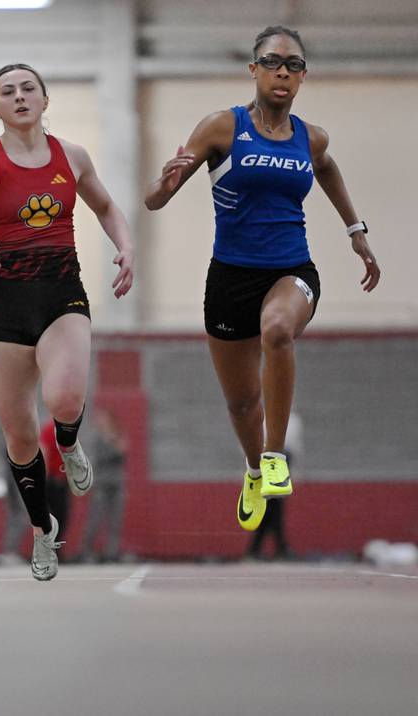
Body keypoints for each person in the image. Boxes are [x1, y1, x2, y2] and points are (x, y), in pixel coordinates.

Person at [144, 26, 380, 533]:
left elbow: (327, 167)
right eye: (273, 62)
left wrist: (355, 231)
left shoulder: (309, 137)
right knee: (241, 401)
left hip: (292, 269)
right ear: (253, 69)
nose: (283, 72)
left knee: (277, 329)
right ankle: (254, 469)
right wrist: (162, 184)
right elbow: (154, 200)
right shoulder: (221, 128)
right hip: (230, 276)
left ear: (302, 77)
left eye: (294, 65)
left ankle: (274, 457)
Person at [0, 63, 134, 580]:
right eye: (8, 91)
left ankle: (70, 445)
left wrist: (126, 247)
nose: (20, 97)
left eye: (29, 89)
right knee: (19, 434)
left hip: (61, 293)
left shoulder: (72, 156)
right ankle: (42, 532)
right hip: (7, 305)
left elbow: (107, 207)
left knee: (64, 398)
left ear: (45, 100)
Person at [247, 410, 303, 560]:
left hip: (283, 461)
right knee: (273, 510)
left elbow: (295, 448)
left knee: (272, 510)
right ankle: (277, 547)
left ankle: (259, 549)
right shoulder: (262, 416)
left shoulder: (294, 419)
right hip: (266, 460)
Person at [80, 407, 127, 563]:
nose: (101, 422)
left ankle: (111, 552)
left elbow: (123, 453)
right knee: (96, 517)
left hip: (117, 482)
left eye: (104, 419)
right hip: (101, 482)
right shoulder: (97, 438)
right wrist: (114, 447)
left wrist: (117, 446)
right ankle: (85, 551)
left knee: (115, 519)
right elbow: (100, 457)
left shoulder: (118, 434)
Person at [38, 417, 70, 546]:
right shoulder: (50, 430)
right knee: (56, 516)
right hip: (53, 481)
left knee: (62, 516)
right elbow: (45, 453)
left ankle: (55, 548)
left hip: (62, 480)